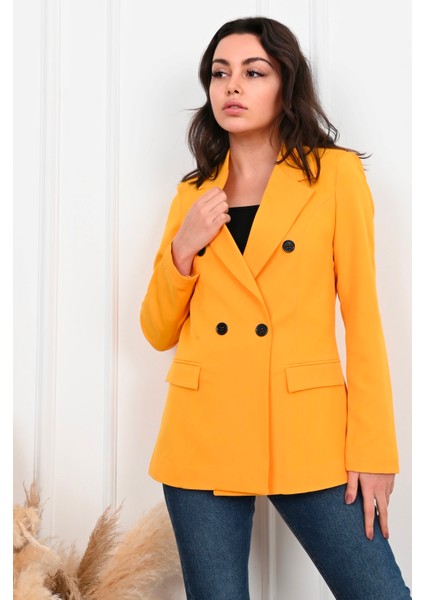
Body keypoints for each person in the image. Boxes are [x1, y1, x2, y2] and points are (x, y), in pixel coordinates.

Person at [140, 16, 411, 600]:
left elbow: (363, 320)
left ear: (286, 84)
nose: (232, 86)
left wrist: (373, 451)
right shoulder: (194, 194)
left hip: (307, 432)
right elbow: (158, 329)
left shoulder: (333, 176)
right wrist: (183, 248)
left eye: (254, 72)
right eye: (220, 73)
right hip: (202, 432)